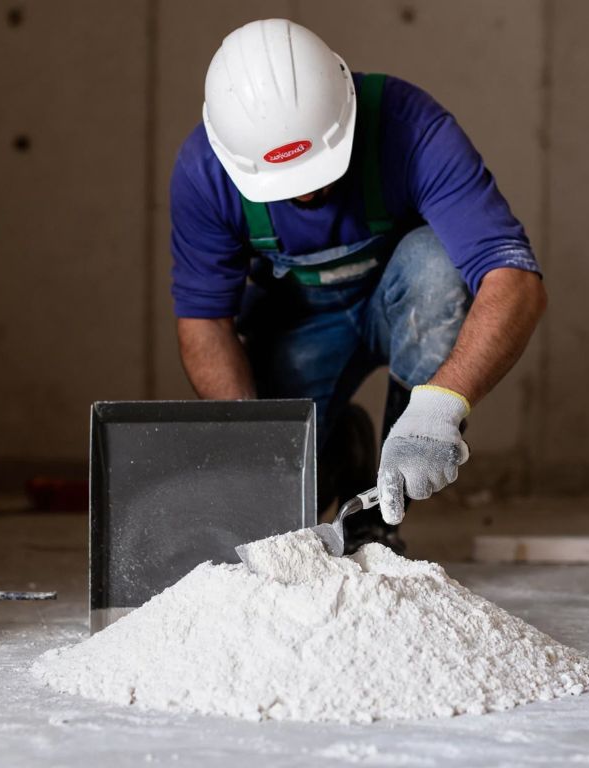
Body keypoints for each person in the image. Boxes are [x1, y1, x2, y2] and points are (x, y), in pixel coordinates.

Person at [170, 19, 545, 552]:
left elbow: (514, 277)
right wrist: (254, 450)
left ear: (345, 109)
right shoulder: (205, 172)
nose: (307, 193)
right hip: (300, 329)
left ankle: (385, 501)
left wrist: (442, 406)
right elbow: (204, 323)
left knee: (438, 269)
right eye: (286, 184)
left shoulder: (408, 125)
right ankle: (342, 450)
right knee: (285, 499)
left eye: (321, 168)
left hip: (405, 304)